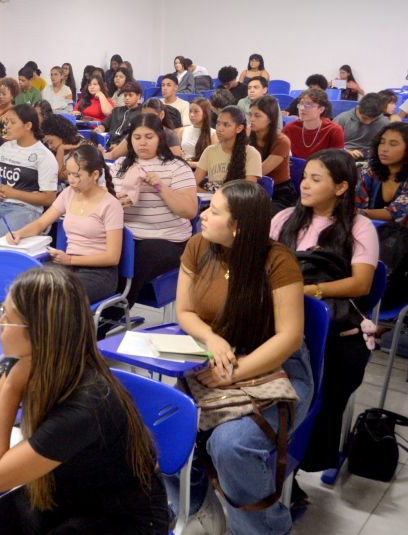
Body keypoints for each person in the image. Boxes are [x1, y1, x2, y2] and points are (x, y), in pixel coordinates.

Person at [0, 267, 169, 535]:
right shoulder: (38, 356)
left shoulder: (88, 403)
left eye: (6, 317)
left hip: (120, 517)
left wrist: (13, 386)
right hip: (64, 488)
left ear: (39, 331)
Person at [172, 179, 310, 535]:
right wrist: (212, 338)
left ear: (240, 226)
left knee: (230, 444)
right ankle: (199, 507)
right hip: (217, 357)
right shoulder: (198, 246)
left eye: (214, 211)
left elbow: (290, 337)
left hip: (277, 366)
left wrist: (236, 371)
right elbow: (184, 311)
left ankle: (263, 527)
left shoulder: (277, 260)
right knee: (159, 423)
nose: (203, 215)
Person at [271, 149, 377, 507]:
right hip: (282, 322)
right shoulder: (286, 217)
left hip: (335, 332)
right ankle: (265, 464)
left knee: (319, 396)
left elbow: (361, 284)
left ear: (341, 187)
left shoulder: (358, 228)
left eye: (317, 179)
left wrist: (307, 291)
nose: (305, 184)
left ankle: (295, 469)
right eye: (305, 177)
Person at [104, 113, 197, 331]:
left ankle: (103, 324)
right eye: (137, 137)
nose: (142, 143)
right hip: (127, 236)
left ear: (160, 138)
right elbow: (103, 202)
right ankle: (89, 313)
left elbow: (190, 210)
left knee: (138, 258)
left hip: (167, 240)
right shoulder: (119, 165)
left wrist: (159, 187)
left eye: (149, 137)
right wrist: (115, 204)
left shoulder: (177, 167)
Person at [3, 145, 122, 302]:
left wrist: (71, 260)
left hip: (99, 273)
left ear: (95, 175)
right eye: (69, 174)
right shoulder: (68, 194)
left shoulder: (111, 205)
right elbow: (41, 223)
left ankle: (54, 326)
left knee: (58, 296)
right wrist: (19, 233)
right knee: (27, 287)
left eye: (77, 175)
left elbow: (112, 257)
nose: (71, 180)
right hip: (69, 266)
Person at [0, 104, 58, 251]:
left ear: (28, 125)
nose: (7, 126)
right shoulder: (5, 148)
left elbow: (49, 198)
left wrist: (15, 194)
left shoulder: (43, 156)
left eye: (12, 122)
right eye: (7, 121)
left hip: (27, 210)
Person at [195, 105, 262, 192]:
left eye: (226, 125)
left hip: (238, 203)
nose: (219, 129)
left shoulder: (252, 154)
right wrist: (212, 198)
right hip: (213, 201)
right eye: (218, 123)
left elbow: (248, 192)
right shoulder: (209, 151)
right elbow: (193, 185)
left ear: (239, 128)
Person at [355, 122, 408, 225]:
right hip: (369, 230)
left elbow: (399, 212)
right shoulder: (370, 169)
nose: (384, 149)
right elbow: (357, 200)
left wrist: (359, 213)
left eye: (393, 144)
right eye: (382, 142)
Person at [249, 95, 294, 212]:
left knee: (254, 216)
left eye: (257, 115)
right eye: (250, 115)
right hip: (252, 188)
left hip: (279, 193)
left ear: (270, 118)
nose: (251, 119)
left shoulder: (282, 141)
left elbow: (260, 171)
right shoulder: (247, 137)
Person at [104, 99, 183, 160]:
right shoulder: (136, 133)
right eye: (143, 116)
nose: (147, 120)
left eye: (151, 117)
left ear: (161, 114)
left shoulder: (170, 135)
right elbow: (113, 155)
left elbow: (175, 163)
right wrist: (100, 155)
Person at [282, 89, 345, 160]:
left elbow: (337, 161)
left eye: (308, 105)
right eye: (301, 104)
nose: (302, 109)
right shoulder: (290, 128)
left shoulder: (334, 130)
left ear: (321, 109)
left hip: (323, 169)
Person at [334, 93, 390, 160]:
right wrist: (346, 152)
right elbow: (331, 146)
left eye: (373, 119)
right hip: (345, 157)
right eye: (364, 118)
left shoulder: (384, 122)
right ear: (358, 108)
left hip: (372, 157)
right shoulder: (342, 119)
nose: (368, 122)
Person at [41, 114, 92, 181]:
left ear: (60, 133)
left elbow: (57, 176)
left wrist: (60, 150)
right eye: (47, 143)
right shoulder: (55, 150)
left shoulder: (82, 146)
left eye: (50, 142)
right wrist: (61, 149)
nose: (50, 146)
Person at [95, 80, 144, 150]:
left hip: (125, 147)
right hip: (107, 142)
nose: (127, 98)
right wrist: (101, 128)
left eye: (130, 95)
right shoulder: (116, 110)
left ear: (138, 96)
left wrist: (119, 145)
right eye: (125, 95)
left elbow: (133, 134)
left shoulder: (141, 113)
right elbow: (105, 123)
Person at [177, 97, 217, 169]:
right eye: (190, 111)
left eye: (196, 111)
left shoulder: (213, 134)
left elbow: (213, 163)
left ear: (205, 113)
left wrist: (190, 164)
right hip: (183, 169)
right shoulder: (182, 131)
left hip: (202, 172)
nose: (192, 115)